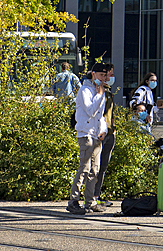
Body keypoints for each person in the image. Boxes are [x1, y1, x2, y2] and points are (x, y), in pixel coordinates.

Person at [67, 64, 108, 215]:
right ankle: (73, 200)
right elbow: (90, 111)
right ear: (93, 74)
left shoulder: (100, 92)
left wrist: (104, 130)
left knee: (95, 170)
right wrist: (99, 94)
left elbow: (100, 115)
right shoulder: (85, 90)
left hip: (96, 135)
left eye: (105, 76)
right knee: (84, 168)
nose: (104, 78)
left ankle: (90, 202)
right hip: (85, 134)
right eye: (101, 75)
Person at [90, 64, 116, 207]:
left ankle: (96, 194)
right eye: (106, 75)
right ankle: (90, 197)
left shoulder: (108, 91)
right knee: (94, 166)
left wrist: (113, 128)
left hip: (109, 132)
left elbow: (110, 113)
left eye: (110, 75)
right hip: (99, 133)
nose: (109, 78)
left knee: (103, 166)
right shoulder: (94, 90)